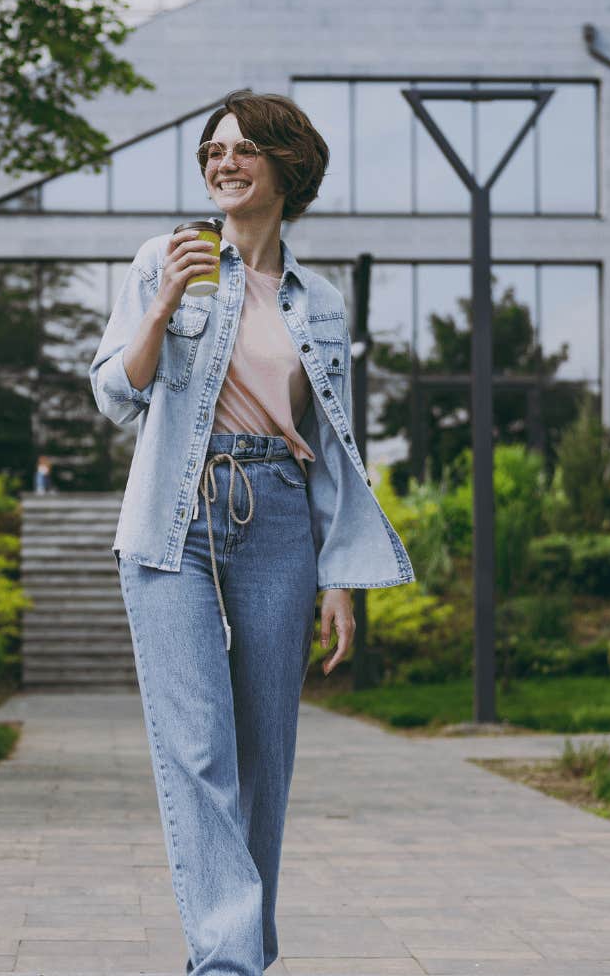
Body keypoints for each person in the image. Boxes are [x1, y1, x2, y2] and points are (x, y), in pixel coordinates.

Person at [88, 89, 416, 975]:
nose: (222, 163)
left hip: (276, 514)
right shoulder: (165, 258)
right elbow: (115, 392)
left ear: (286, 166)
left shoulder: (320, 301)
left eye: (242, 150)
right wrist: (162, 308)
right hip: (174, 517)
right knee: (198, 749)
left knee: (265, 758)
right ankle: (228, 963)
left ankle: (239, 950)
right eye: (211, 152)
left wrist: (338, 573)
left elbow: (336, 447)